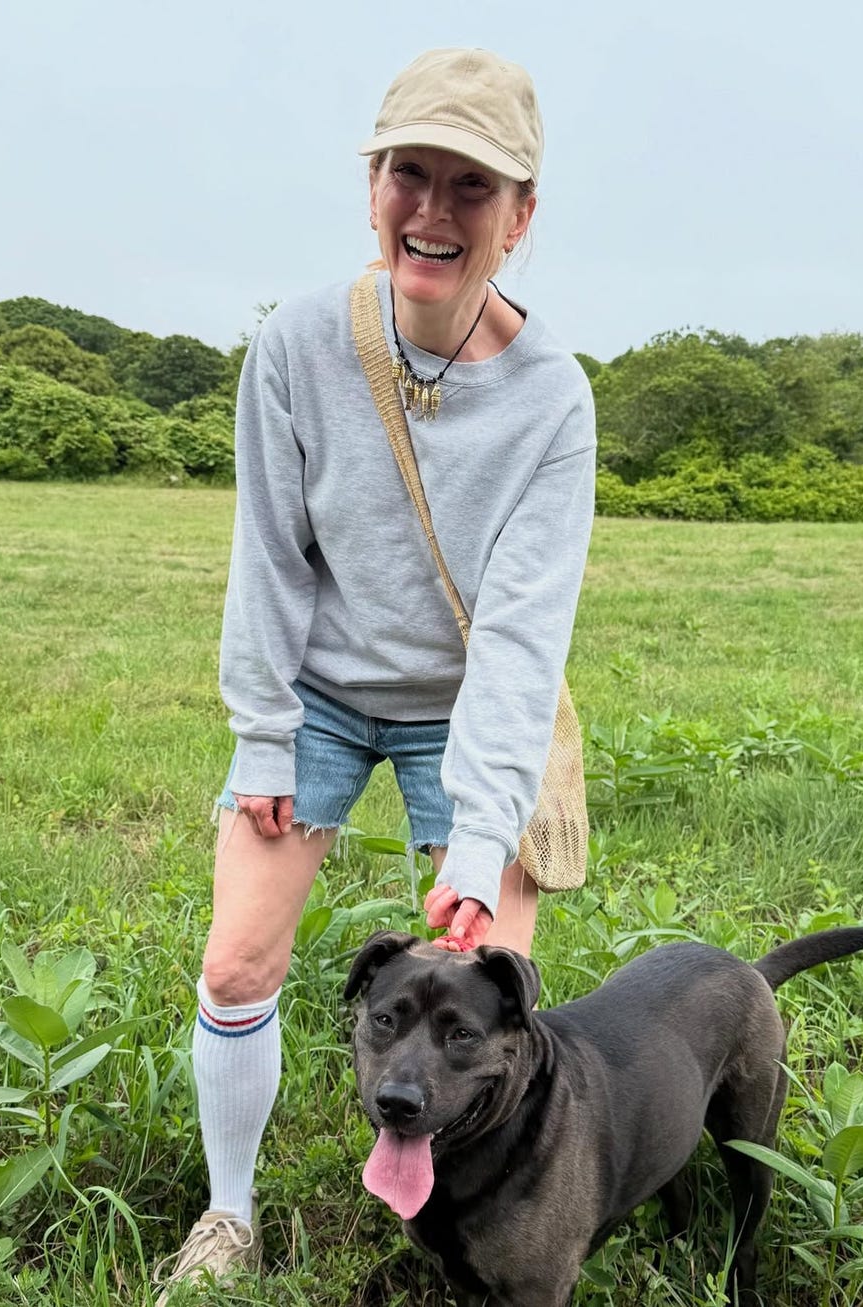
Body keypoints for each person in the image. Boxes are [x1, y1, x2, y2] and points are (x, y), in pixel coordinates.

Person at [152, 45, 596, 1303]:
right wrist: (263, 735)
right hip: (322, 698)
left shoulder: (552, 403)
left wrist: (480, 835)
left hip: (467, 711)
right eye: (410, 173)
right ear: (371, 188)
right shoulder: (298, 346)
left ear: (520, 215)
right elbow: (268, 559)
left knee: (487, 996)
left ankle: (485, 1220)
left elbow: (519, 638)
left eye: (472, 185)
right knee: (236, 963)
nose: (433, 210)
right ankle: (228, 1212)